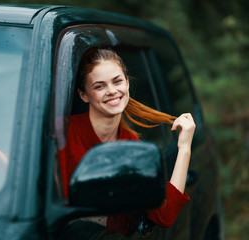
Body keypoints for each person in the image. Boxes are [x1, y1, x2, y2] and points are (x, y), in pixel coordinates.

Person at [58, 48, 195, 237]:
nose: (112, 91)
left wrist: (185, 148)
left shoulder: (132, 148)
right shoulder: (60, 132)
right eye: (99, 86)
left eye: (117, 81)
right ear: (84, 95)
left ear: (127, 83)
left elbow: (164, 216)